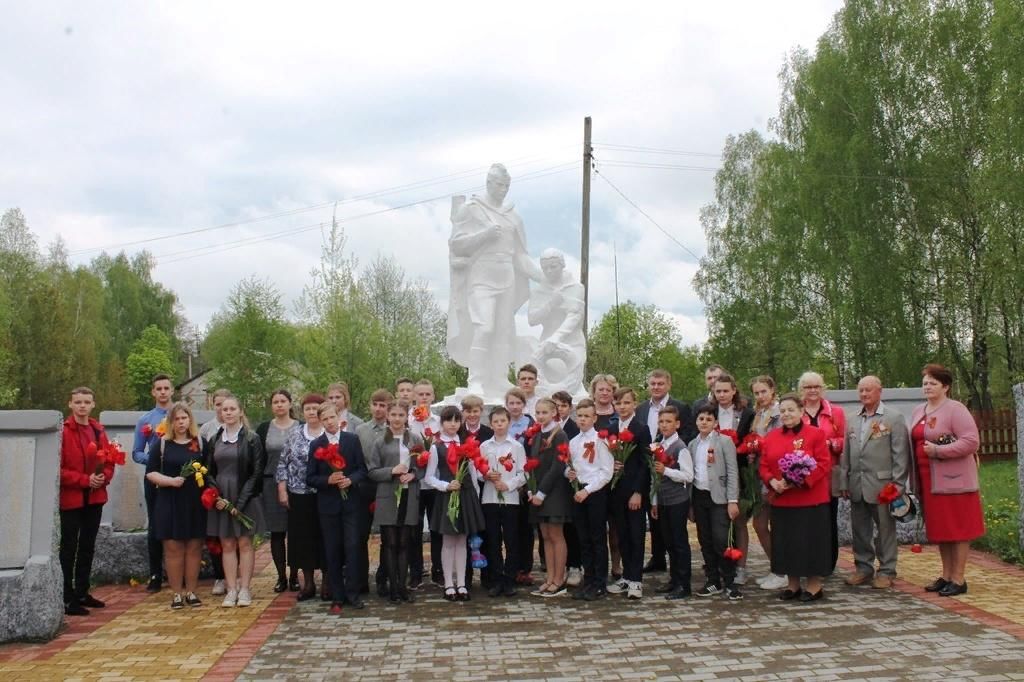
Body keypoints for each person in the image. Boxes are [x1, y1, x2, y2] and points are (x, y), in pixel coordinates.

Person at [447, 163, 540, 399]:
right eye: (499, 185)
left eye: (506, 186)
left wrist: (544, 277)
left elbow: (521, 256)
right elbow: (457, 244)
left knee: (503, 330)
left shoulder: (513, 216)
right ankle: (476, 380)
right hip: (481, 275)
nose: (503, 190)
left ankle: (498, 378)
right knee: (485, 327)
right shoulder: (472, 209)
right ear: (488, 183)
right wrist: (485, 235)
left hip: (506, 274)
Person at [911, 364, 983, 597]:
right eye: (925, 383)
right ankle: (946, 575)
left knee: (958, 529)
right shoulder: (919, 410)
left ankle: (959, 578)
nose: (927, 386)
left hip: (955, 482)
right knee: (942, 530)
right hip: (929, 481)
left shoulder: (955, 409)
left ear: (946, 386)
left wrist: (940, 451)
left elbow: (971, 442)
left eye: (933, 383)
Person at [840, 376, 911, 590]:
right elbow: (846, 453)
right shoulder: (852, 419)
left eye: (868, 390)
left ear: (880, 391)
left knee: (885, 530)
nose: (864, 394)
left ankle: (887, 570)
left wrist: (898, 485)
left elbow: (901, 455)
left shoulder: (894, 418)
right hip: (857, 484)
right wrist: (844, 481)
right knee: (860, 530)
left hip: (883, 486)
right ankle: (863, 568)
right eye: (861, 390)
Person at [759, 394, 832, 602]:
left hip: (809, 499)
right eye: (782, 411)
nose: (786, 414)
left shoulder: (815, 434)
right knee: (786, 543)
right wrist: (772, 481)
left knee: (809, 542)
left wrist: (797, 480)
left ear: (801, 411)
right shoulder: (771, 437)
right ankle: (793, 585)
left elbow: (824, 464)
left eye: (791, 410)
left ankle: (814, 586)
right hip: (781, 499)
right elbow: (764, 465)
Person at [306, 401, 368, 614]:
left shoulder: (352, 440)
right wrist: (328, 480)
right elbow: (310, 477)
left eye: (332, 417)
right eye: (325, 419)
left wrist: (350, 480)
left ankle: (353, 593)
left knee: (352, 547)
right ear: (320, 422)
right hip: (328, 506)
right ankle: (337, 595)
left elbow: (362, 469)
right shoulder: (317, 445)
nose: (330, 422)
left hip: (350, 503)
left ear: (338, 417)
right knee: (332, 550)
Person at [206, 396, 266, 607]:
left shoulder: (252, 439)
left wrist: (238, 504)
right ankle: (231, 589)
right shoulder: (214, 439)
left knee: (245, 543)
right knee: (227, 543)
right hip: (222, 497)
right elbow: (208, 472)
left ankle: (245, 589)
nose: (228, 412)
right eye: (224, 409)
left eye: (232, 409)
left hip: (245, 496)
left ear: (241, 412)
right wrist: (218, 497)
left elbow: (257, 472)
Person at [146, 402, 206, 609]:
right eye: (177, 419)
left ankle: (191, 591)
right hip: (169, 500)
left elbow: (209, 472)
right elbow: (151, 472)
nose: (181, 422)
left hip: (194, 501)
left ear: (190, 420)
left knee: (194, 547)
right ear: (170, 423)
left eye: (184, 418)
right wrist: (170, 481)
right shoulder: (162, 444)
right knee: (173, 548)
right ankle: (177, 594)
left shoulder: (200, 443)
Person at [59, 386, 114, 616]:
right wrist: (84, 480)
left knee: (88, 546)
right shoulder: (63, 432)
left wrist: (103, 478)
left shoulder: (98, 430)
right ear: (70, 405)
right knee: (69, 547)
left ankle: (82, 590)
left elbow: (110, 459)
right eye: (78, 402)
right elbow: (57, 469)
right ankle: (66, 595)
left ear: (93, 405)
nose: (82, 406)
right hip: (72, 499)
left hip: (95, 497)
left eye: (86, 402)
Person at [635, 368, 695, 573]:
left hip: (672, 462)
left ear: (668, 384)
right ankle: (657, 558)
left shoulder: (680, 407)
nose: (656, 387)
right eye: (652, 383)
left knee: (676, 533)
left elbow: (687, 433)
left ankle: (680, 575)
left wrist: (670, 458)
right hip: (649, 465)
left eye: (660, 383)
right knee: (656, 517)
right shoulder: (642, 408)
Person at [423, 406, 485, 602]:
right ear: (442, 423)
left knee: (462, 542)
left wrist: (476, 497)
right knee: (449, 542)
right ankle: (449, 583)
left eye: (456, 421)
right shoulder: (436, 447)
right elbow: (429, 477)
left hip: (466, 496)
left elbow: (474, 475)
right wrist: (445, 485)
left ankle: (462, 584)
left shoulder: (467, 444)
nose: (452, 424)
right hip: (447, 496)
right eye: (449, 420)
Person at [368, 401, 425, 603]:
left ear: (406, 417)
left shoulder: (415, 439)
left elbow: (423, 467)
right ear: (388, 416)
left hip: (409, 495)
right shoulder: (380, 441)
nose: (397, 419)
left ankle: (403, 586)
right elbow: (372, 471)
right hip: (388, 496)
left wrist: (413, 475)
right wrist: (391, 471)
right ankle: (392, 587)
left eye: (401, 415)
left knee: (404, 543)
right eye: (393, 415)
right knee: (390, 543)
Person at [688, 405, 742, 600]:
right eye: (701, 419)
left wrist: (732, 500)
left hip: (720, 497)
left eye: (708, 419)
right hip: (700, 497)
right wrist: (691, 505)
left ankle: (730, 581)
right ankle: (713, 580)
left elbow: (732, 471)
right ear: (696, 422)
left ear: (716, 423)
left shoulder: (724, 442)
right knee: (706, 540)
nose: (704, 422)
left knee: (722, 540)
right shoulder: (693, 445)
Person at [277, 393, 325, 601]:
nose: (312, 412)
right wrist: (282, 489)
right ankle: (308, 584)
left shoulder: (330, 433)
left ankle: (328, 582)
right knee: (301, 539)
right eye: (308, 409)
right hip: (298, 495)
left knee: (324, 537)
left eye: (316, 408)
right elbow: (282, 463)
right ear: (302, 412)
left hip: (324, 495)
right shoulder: (295, 434)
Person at [798, 371, 847, 574]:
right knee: (805, 521)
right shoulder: (796, 411)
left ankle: (828, 563)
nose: (813, 391)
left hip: (827, 476)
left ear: (823, 388)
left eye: (817, 386)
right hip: (802, 476)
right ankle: (806, 562)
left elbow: (846, 441)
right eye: (808, 387)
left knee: (827, 520)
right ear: (802, 389)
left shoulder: (835, 412)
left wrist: (829, 443)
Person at [606, 388, 652, 600]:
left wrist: (637, 492)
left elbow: (645, 464)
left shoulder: (641, 429)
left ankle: (636, 579)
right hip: (616, 490)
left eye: (626, 403)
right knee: (621, 534)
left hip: (634, 491)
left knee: (635, 534)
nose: (622, 407)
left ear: (634, 403)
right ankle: (626, 575)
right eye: (618, 403)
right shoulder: (612, 427)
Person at [566, 399, 614, 601]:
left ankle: (600, 583)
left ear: (595, 418)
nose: (583, 419)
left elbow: (606, 472)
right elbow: (571, 465)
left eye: (587, 416)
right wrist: (568, 473)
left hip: (595, 493)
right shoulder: (574, 442)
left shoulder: (600, 440)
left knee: (597, 538)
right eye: (580, 416)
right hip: (578, 491)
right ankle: (589, 579)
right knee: (583, 539)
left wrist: (588, 490)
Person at [132, 373, 174, 593]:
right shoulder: (145, 420)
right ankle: (156, 573)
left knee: (178, 523)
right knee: (156, 525)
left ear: (172, 391)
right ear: (153, 392)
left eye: (166, 388)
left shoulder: (181, 415)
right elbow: (137, 453)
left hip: (179, 479)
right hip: (155, 478)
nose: (163, 392)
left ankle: (179, 572)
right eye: (158, 389)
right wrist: (154, 459)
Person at [712, 372, 754, 585]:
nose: (721, 395)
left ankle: (741, 567)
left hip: (739, 472)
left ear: (734, 391)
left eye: (725, 391)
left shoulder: (746, 414)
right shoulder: (708, 413)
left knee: (739, 522)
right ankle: (721, 564)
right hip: (715, 474)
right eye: (718, 391)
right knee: (718, 523)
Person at [479, 406, 527, 597]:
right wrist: (487, 475)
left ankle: (510, 579)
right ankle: (496, 578)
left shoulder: (516, 447)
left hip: (510, 499)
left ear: (508, 423)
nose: (499, 425)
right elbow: (477, 471)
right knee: (493, 540)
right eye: (496, 422)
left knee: (511, 540)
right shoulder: (485, 446)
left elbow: (523, 473)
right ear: (491, 424)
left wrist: (508, 485)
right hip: (490, 498)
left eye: (503, 421)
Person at [527, 398, 572, 597]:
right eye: (538, 412)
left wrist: (542, 492)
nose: (540, 416)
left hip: (554, 493)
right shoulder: (537, 435)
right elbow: (532, 465)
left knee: (556, 535)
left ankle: (559, 579)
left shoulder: (559, 434)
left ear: (554, 413)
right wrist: (531, 490)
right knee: (545, 535)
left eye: (545, 412)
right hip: (538, 493)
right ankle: (550, 578)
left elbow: (557, 467)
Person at [256, 390, 300, 593]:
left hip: (296, 484)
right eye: (275, 402)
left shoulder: (300, 427)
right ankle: (281, 576)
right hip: (271, 484)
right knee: (277, 532)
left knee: (296, 532)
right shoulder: (264, 428)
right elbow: (259, 459)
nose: (279, 405)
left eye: (283, 401)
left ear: (290, 404)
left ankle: (294, 576)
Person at [649, 406, 694, 600]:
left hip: (677, 500)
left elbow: (688, 475)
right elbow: (654, 477)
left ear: (677, 424)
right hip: (664, 499)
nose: (664, 425)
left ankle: (684, 584)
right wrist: (654, 501)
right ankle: (674, 579)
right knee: (668, 542)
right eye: (661, 422)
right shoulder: (659, 444)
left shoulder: (680, 447)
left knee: (679, 543)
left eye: (668, 422)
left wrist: (666, 471)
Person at [747, 376, 786, 591]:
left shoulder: (780, 413)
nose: (760, 396)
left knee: (777, 526)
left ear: (772, 390)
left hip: (775, 475)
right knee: (759, 525)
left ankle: (783, 570)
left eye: (763, 391)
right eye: (756, 393)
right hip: (759, 474)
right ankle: (776, 567)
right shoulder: (758, 414)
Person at [356, 388, 393, 596]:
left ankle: (383, 578)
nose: (378, 409)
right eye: (375, 404)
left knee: (387, 536)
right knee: (360, 535)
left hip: (386, 486)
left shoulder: (393, 430)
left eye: (383, 405)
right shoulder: (361, 430)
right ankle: (361, 579)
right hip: (364, 487)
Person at [408, 379, 442, 588]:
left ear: (433, 396)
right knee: (414, 529)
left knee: (437, 528)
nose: (423, 398)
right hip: (414, 483)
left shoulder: (439, 422)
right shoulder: (408, 422)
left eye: (427, 394)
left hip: (435, 482)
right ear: (414, 396)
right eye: (420, 394)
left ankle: (438, 569)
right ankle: (416, 571)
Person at [200, 387, 231, 596]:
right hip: (212, 486)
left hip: (234, 486)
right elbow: (204, 461)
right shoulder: (206, 430)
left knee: (233, 535)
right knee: (214, 536)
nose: (222, 409)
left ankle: (233, 576)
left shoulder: (240, 429)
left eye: (226, 405)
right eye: (218, 405)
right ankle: (219, 576)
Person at [551, 390, 581, 585]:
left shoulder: (575, 428)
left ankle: (575, 566)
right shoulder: (546, 428)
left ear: (570, 408)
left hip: (570, 484)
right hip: (552, 485)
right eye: (556, 406)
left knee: (572, 527)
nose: (559, 409)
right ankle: (555, 568)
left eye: (563, 406)